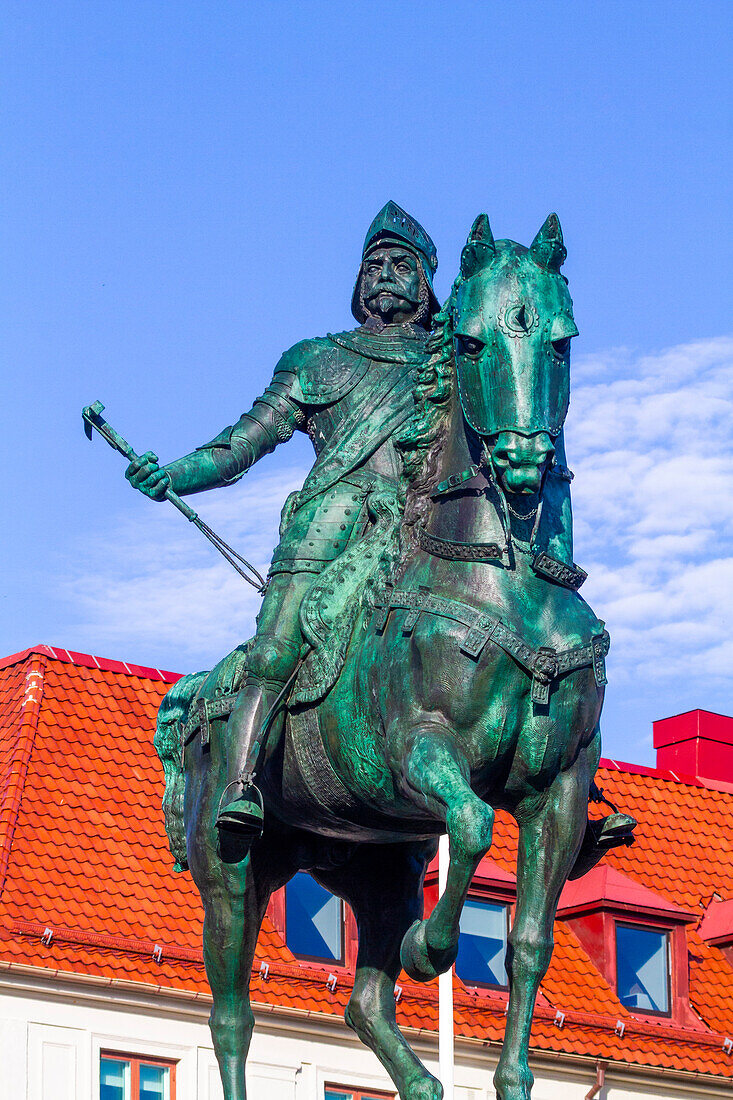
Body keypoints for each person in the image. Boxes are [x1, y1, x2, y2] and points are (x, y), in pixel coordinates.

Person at [126, 201, 440, 842]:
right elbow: (243, 442)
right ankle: (240, 784)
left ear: (427, 285)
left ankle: (572, 789)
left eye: (400, 265)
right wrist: (176, 474)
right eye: (372, 264)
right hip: (330, 524)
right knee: (276, 651)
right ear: (358, 282)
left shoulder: (454, 365)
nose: (384, 274)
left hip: (421, 524)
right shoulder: (316, 359)